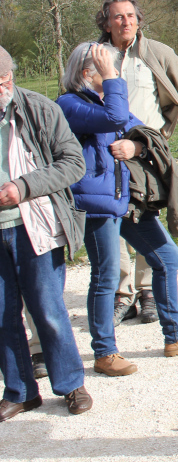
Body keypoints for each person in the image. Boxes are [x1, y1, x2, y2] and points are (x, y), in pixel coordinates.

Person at [57, 42, 178, 375]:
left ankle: (176, 334)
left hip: (125, 200)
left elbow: (145, 131)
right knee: (105, 277)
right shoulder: (69, 105)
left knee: (167, 257)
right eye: (109, 70)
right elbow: (115, 117)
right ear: (89, 73)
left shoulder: (106, 99)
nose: (117, 78)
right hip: (97, 205)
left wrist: (136, 144)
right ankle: (105, 352)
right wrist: (112, 78)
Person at [95, 0, 178, 325]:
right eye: (117, 16)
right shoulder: (96, 55)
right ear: (107, 22)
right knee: (114, 221)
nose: (125, 22)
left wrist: (164, 131)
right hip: (107, 152)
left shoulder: (156, 52)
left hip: (146, 151)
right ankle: (123, 294)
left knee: (145, 215)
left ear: (138, 20)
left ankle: (147, 292)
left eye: (130, 16)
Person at [0, 45, 93, 421]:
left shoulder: (40, 109)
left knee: (48, 311)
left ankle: (72, 384)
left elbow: (74, 163)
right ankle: (20, 391)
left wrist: (22, 187)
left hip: (33, 225)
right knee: (2, 315)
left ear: (7, 80)